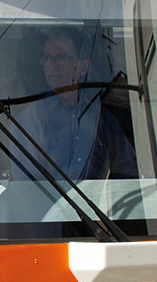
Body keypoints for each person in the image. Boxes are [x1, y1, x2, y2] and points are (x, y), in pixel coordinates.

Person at [13, 28, 137, 182]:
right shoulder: (30, 120)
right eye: (47, 57)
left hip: (94, 205)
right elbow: (28, 187)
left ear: (83, 66)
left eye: (61, 57)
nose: (52, 64)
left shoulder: (102, 118)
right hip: (50, 204)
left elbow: (127, 175)